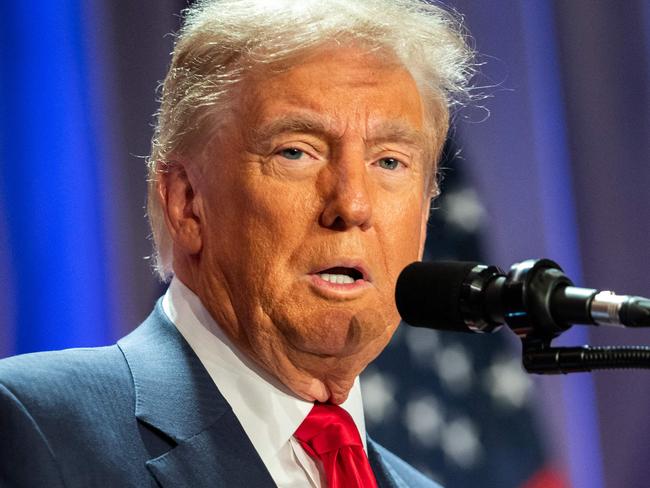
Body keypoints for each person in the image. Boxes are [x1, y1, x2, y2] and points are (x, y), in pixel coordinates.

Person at [0, 0, 474, 486]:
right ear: (187, 202)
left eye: (390, 162)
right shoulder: (34, 427)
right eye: (296, 152)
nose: (352, 205)